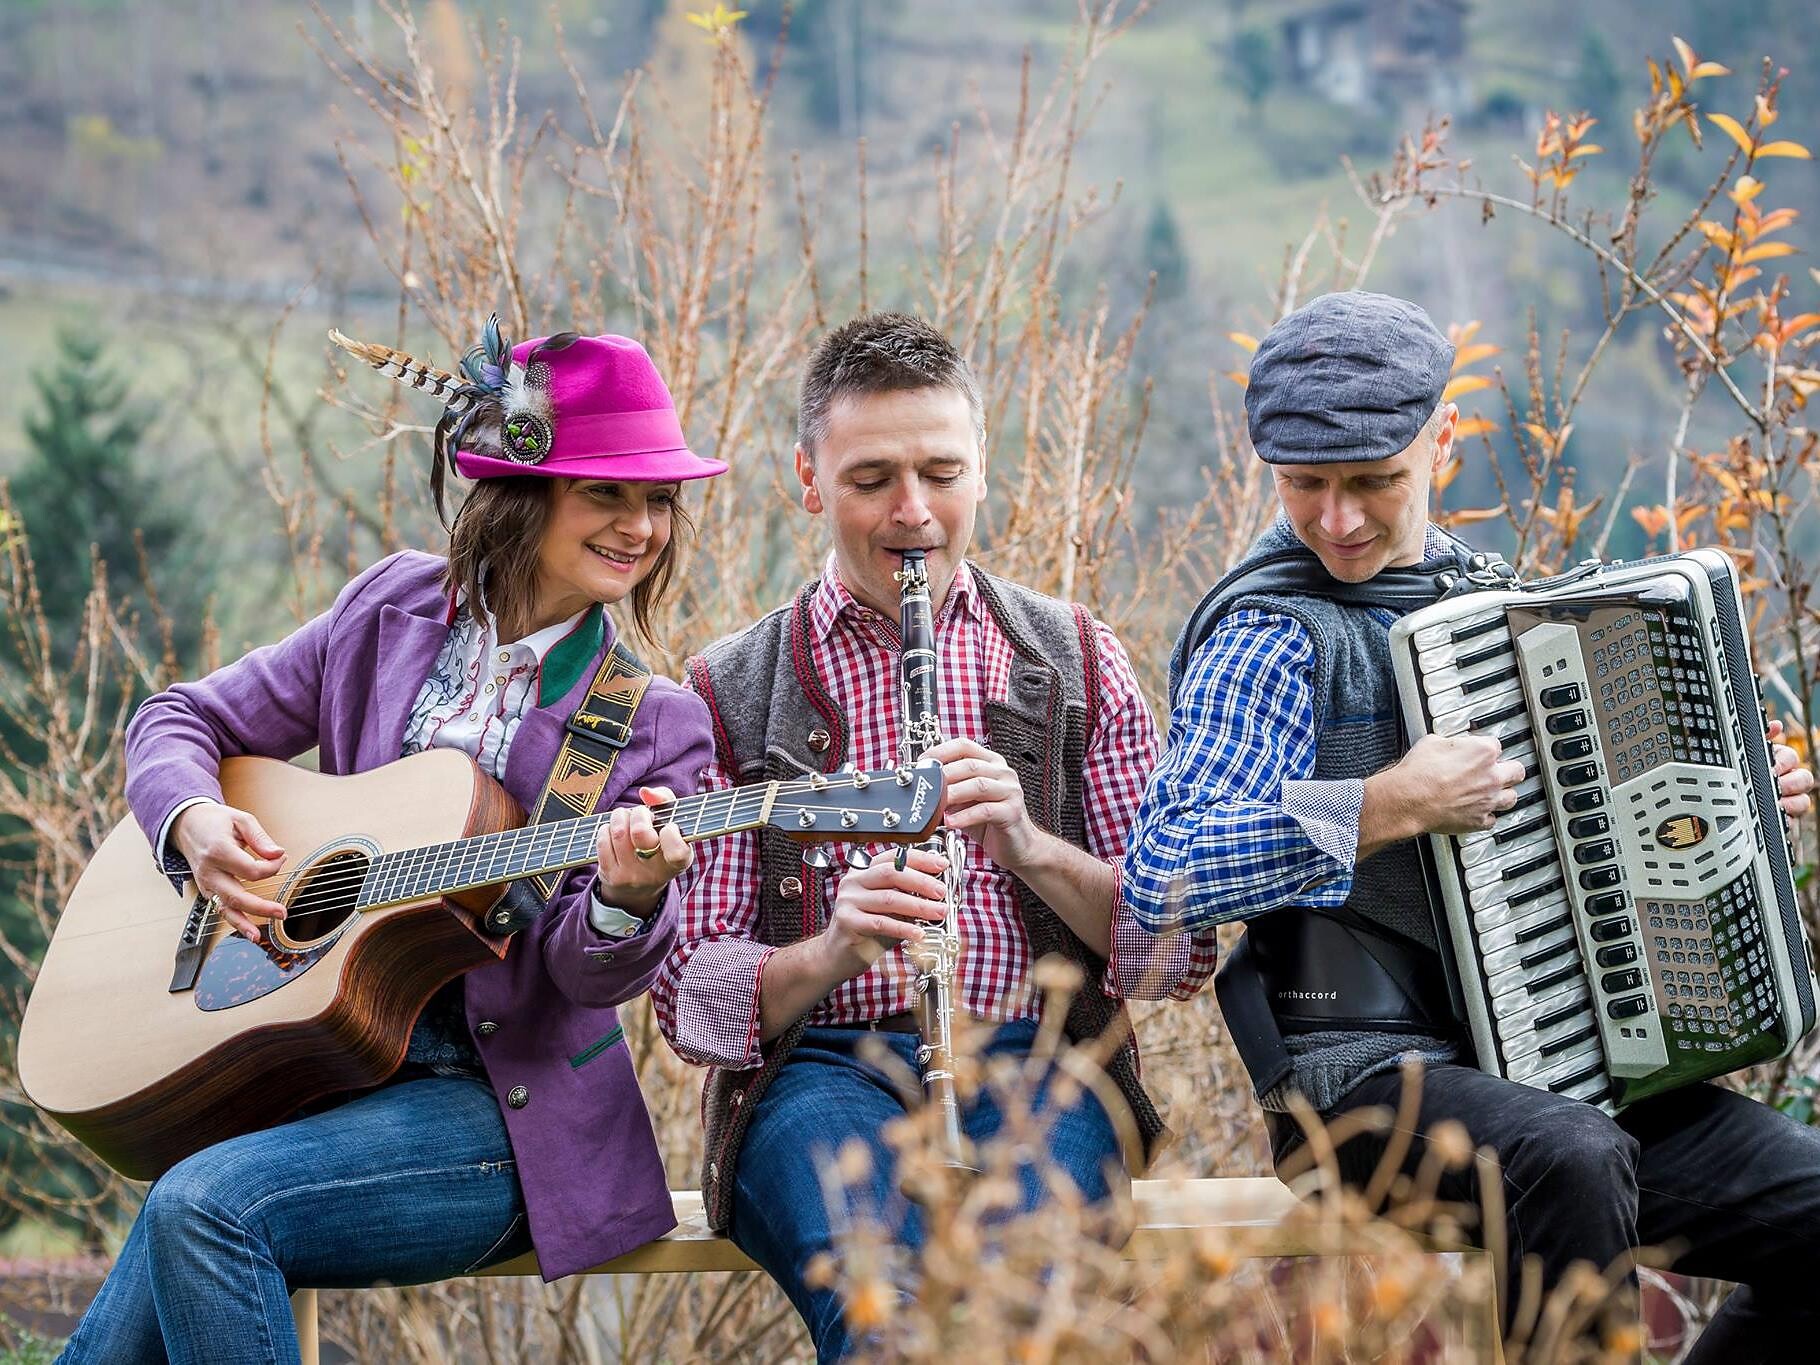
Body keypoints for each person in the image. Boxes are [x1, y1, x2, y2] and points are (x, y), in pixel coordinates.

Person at [1122, 288, 1820, 1356]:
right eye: (1305, 486)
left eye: (1372, 482)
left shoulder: (1488, 606)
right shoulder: (1266, 638)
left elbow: (1601, 834)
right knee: (1573, 1158)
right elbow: (1163, 870)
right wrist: (1382, 804)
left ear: (1441, 440)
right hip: (1359, 1086)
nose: (1337, 520)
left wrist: (1728, 799)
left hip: (1558, 1077)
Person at [59, 320, 726, 1364]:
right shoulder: (389, 609)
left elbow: (584, 980)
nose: (640, 526)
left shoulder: (650, 720)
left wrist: (625, 901)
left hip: (496, 1117)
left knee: (204, 1209)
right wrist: (192, 826)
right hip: (323, 1070)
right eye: (606, 493)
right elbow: (178, 721)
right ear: (520, 492)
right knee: (189, 1207)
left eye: (657, 501)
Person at [649, 311, 1217, 1361]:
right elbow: (690, 996)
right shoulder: (727, 689)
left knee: (1025, 1326)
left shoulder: (1072, 658)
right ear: (808, 481)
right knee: (885, 1324)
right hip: (818, 1074)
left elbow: (1175, 950)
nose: (913, 512)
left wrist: (1028, 848)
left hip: (1041, 1062)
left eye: (940, 473)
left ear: (982, 471)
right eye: (871, 479)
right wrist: (835, 947)